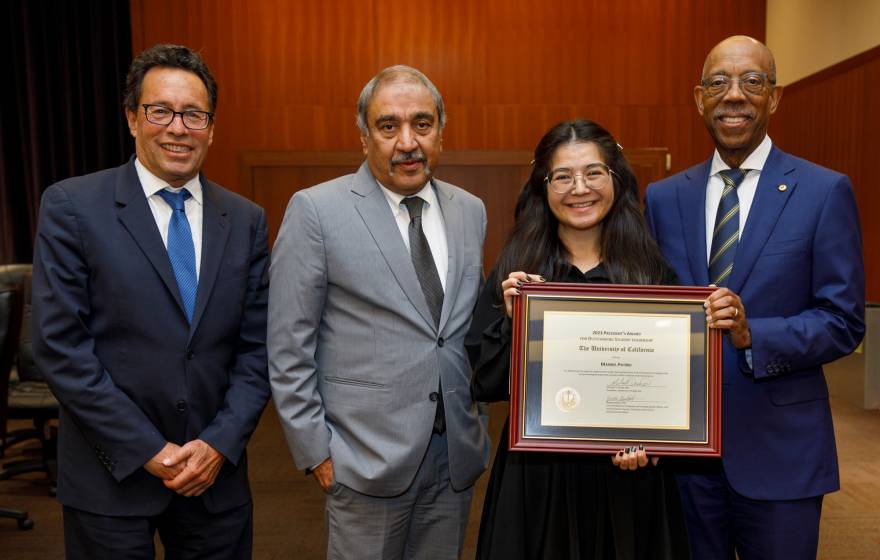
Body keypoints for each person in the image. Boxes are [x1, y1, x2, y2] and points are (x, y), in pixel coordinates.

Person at [31, 44, 271, 559]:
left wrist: (217, 446)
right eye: (159, 111)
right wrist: (149, 450)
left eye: (193, 114)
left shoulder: (246, 220)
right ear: (132, 119)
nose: (177, 128)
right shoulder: (72, 207)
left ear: (212, 127)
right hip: (110, 479)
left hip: (214, 482)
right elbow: (61, 348)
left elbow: (260, 351)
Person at [644, 35, 865, 559]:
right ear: (700, 98)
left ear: (775, 96)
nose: (735, 95)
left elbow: (843, 321)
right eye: (719, 82)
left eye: (752, 82)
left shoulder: (824, 191)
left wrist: (753, 334)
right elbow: (650, 310)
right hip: (687, 460)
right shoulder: (663, 197)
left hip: (782, 453)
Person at [268, 65, 489, 559]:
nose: (407, 141)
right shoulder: (316, 211)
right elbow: (288, 345)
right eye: (389, 126)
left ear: (441, 131)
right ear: (364, 134)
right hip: (361, 459)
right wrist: (316, 451)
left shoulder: (469, 210)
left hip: (452, 456)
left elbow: (459, 329)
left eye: (422, 124)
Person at [465, 119, 690, 560]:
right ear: (543, 187)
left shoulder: (651, 272)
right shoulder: (517, 271)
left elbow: (672, 390)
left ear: (617, 180)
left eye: (593, 172)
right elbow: (485, 382)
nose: (579, 188)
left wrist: (653, 442)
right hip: (538, 479)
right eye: (562, 176)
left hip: (629, 480)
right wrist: (514, 322)